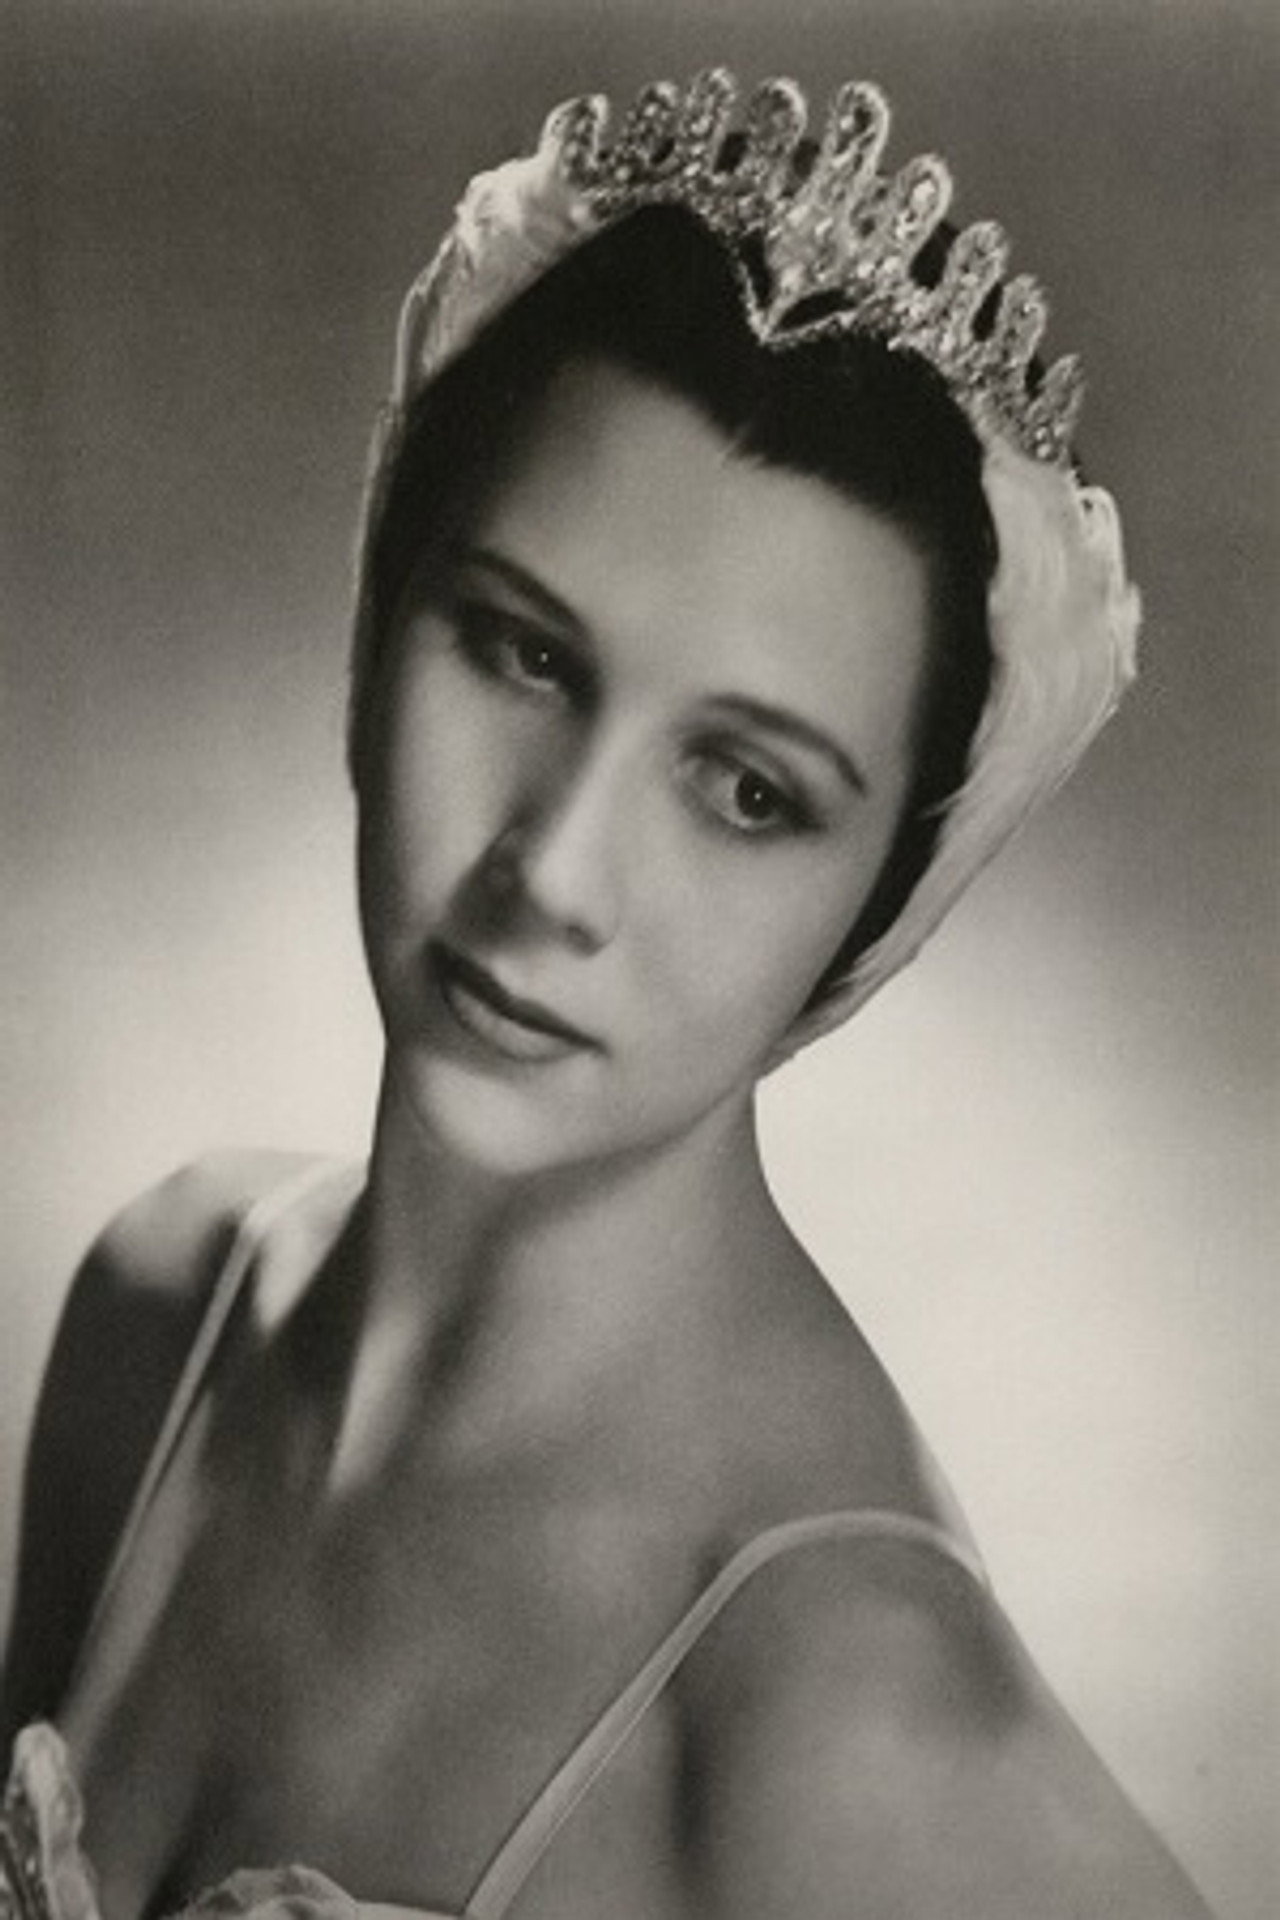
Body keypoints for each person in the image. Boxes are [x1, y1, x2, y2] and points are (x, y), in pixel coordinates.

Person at [0, 69, 1212, 1920]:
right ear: (376, 619)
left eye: (750, 793)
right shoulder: (160, 1315)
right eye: (521, 652)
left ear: (881, 903)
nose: (555, 872)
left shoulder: (858, 1738)